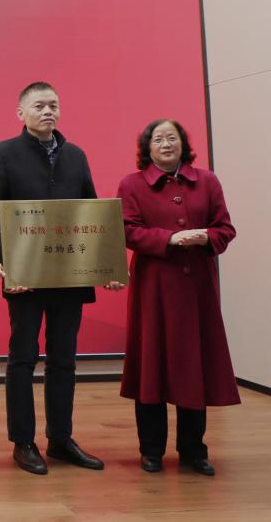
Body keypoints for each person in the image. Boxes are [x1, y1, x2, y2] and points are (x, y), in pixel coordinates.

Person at [0, 82, 123, 476]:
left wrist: (107, 266)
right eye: (39, 105)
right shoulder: (2, 154)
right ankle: (23, 441)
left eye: (54, 105)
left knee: (64, 360)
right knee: (22, 358)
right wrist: (1, 265)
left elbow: (93, 215)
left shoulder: (75, 155)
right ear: (21, 113)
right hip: (25, 277)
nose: (48, 111)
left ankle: (60, 439)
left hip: (70, 276)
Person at [116, 119, 239, 476]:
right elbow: (127, 230)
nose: (166, 144)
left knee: (193, 366)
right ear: (147, 147)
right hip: (154, 288)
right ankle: (151, 450)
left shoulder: (208, 181)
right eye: (158, 139)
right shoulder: (132, 184)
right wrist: (168, 239)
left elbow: (225, 228)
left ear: (183, 144)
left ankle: (193, 450)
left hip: (197, 289)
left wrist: (206, 237)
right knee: (151, 367)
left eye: (173, 138)